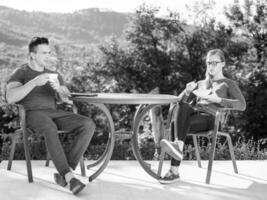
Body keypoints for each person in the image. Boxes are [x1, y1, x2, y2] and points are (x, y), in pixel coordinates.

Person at [5, 37, 96, 194]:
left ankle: (65, 172)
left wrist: (60, 90)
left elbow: (67, 99)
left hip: (54, 113)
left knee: (88, 124)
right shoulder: (21, 72)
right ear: (32, 54)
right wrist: (34, 82)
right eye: (43, 53)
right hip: (32, 114)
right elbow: (11, 97)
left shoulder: (54, 74)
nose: (47, 56)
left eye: (48, 52)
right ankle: (69, 177)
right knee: (49, 127)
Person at [159, 49, 246, 184]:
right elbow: (179, 102)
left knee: (177, 123)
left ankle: (174, 167)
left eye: (215, 63)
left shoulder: (228, 83)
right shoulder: (201, 84)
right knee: (183, 108)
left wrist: (218, 100)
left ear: (223, 64)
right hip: (194, 116)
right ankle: (177, 153)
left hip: (213, 118)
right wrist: (187, 92)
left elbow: (242, 105)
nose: (211, 66)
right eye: (208, 63)